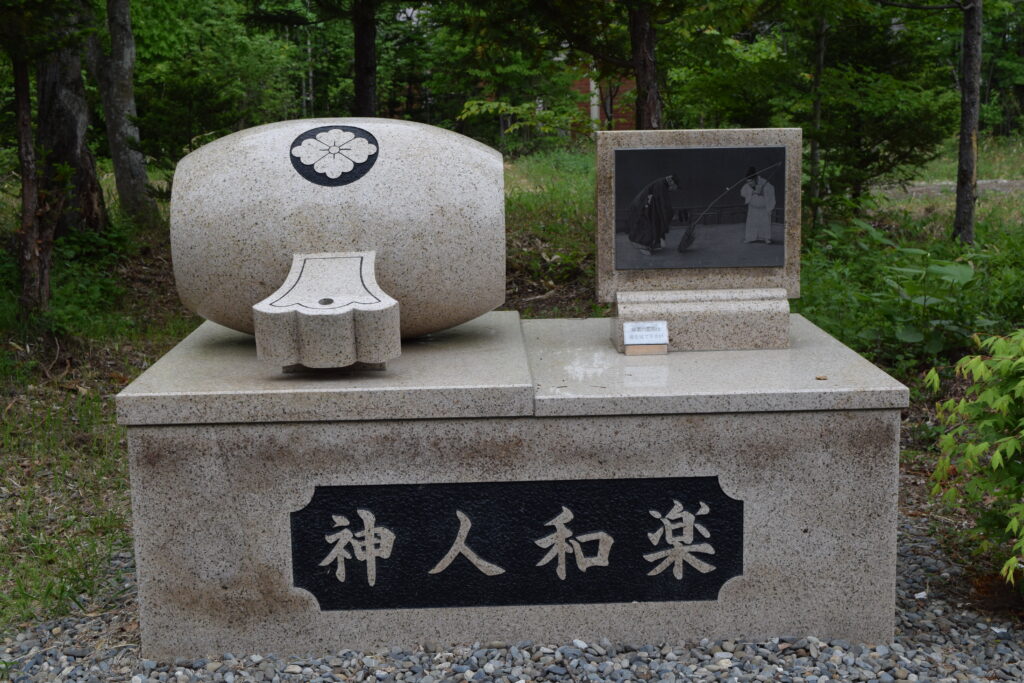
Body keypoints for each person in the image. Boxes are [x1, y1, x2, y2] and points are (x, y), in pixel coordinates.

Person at [625, 174, 679, 255]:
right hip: (642, 206)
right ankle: (642, 245)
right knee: (648, 223)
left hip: (648, 205)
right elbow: (664, 205)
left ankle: (654, 244)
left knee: (656, 220)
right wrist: (671, 214)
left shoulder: (662, 183)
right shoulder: (661, 186)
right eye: (675, 187)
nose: (674, 190)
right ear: (672, 183)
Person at [740, 166, 776, 244]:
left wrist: (763, 191)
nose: (749, 183)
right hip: (753, 208)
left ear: (755, 179)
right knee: (752, 223)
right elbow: (742, 192)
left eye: (751, 181)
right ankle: (750, 237)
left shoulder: (764, 182)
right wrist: (752, 192)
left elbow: (771, 190)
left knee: (764, 223)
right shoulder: (748, 185)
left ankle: (766, 238)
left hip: (763, 208)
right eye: (748, 181)